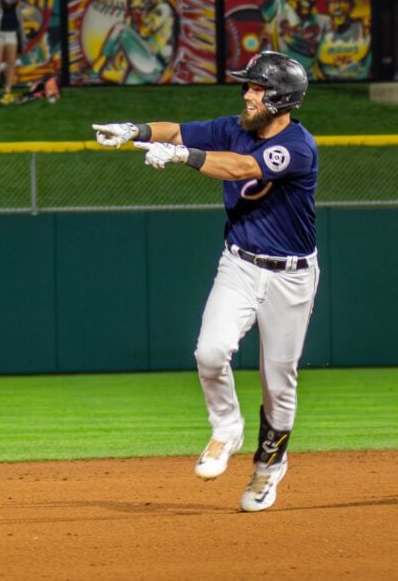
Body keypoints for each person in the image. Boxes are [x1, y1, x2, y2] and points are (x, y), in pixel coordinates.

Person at [91, 51, 319, 513]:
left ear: (281, 98)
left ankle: (269, 466)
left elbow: (241, 169)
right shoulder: (233, 128)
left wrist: (183, 157)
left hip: (292, 277)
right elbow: (176, 130)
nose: (247, 94)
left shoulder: (297, 146)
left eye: (257, 88)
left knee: (278, 382)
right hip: (240, 264)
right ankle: (226, 428)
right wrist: (134, 130)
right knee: (210, 352)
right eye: (248, 86)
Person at [315, 0, 372, 80]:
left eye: (342, 1)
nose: (337, 6)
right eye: (333, 2)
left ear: (352, 6)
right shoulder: (320, 30)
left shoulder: (364, 28)